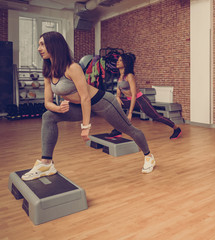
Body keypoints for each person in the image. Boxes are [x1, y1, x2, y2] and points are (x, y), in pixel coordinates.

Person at [21, 31, 156, 181]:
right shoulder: (48, 71)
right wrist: (58, 109)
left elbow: (85, 97)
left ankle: (148, 155)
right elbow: (47, 102)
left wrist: (85, 127)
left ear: (54, 46)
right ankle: (46, 163)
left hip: (103, 102)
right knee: (48, 116)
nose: (39, 48)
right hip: (79, 106)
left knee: (129, 129)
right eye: (39, 45)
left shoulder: (72, 68)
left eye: (42, 44)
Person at [106, 53, 181, 140]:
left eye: (120, 60)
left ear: (125, 63)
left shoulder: (129, 76)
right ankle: (117, 130)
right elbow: (118, 94)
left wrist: (130, 113)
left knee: (156, 116)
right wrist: (117, 98)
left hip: (140, 100)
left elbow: (134, 95)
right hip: (129, 100)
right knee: (113, 105)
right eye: (118, 60)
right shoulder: (120, 77)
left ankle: (176, 128)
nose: (118, 62)